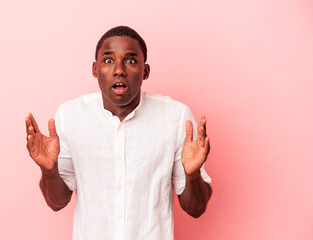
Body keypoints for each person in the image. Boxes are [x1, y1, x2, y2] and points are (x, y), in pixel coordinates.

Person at [25, 26, 212, 240]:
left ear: (146, 71)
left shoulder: (177, 117)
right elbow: (57, 202)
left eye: (131, 61)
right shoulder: (69, 116)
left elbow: (196, 209)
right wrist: (49, 170)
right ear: (95, 69)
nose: (119, 70)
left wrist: (193, 173)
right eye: (108, 60)